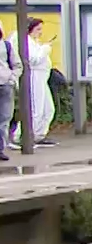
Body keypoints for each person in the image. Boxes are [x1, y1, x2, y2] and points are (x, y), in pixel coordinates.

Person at [9, 18, 56, 148]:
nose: (40, 33)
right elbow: (33, 59)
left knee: (48, 109)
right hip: (33, 77)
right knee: (35, 109)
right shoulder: (23, 41)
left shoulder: (31, 41)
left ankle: (38, 135)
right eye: (38, 29)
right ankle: (20, 137)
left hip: (41, 77)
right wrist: (45, 48)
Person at [0, 24, 19, 160]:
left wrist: (11, 78)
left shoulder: (6, 45)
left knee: (5, 117)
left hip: (5, 84)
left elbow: (17, 64)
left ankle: (0, 148)